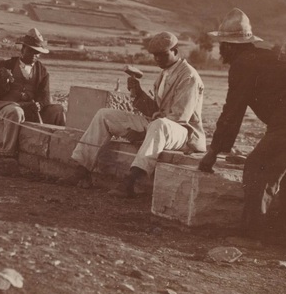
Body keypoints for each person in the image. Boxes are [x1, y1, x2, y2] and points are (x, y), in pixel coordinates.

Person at [198, 8, 286, 241]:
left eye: (222, 44)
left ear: (230, 46)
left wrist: (213, 152)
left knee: (258, 167)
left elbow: (232, 111)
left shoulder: (242, 64)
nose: (220, 50)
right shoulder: (267, 57)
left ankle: (252, 236)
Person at [71, 32, 206, 196]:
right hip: (160, 127)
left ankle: (130, 181)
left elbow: (178, 117)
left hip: (184, 134)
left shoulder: (188, 76)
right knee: (104, 115)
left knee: (159, 125)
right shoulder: (165, 73)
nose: (157, 59)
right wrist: (139, 92)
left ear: (175, 51)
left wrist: (143, 133)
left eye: (162, 55)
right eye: (155, 55)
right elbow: (157, 111)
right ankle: (81, 170)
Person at [0, 28, 65, 156]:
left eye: (37, 52)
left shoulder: (43, 71)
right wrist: (3, 80)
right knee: (16, 112)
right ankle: (7, 152)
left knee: (58, 110)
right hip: (8, 105)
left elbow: (44, 96)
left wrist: (39, 105)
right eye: (31, 51)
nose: (34, 55)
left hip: (31, 109)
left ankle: (61, 152)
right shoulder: (6, 65)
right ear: (23, 49)